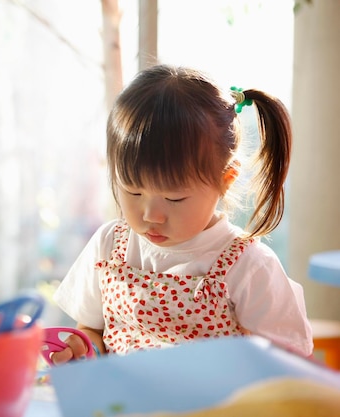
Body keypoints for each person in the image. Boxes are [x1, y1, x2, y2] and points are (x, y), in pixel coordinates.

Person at [51, 64, 313, 364]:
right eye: (133, 191)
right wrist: (84, 350)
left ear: (225, 180)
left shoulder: (248, 267)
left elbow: (283, 366)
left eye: (174, 198)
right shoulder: (110, 246)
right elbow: (92, 331)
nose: (151, 215)